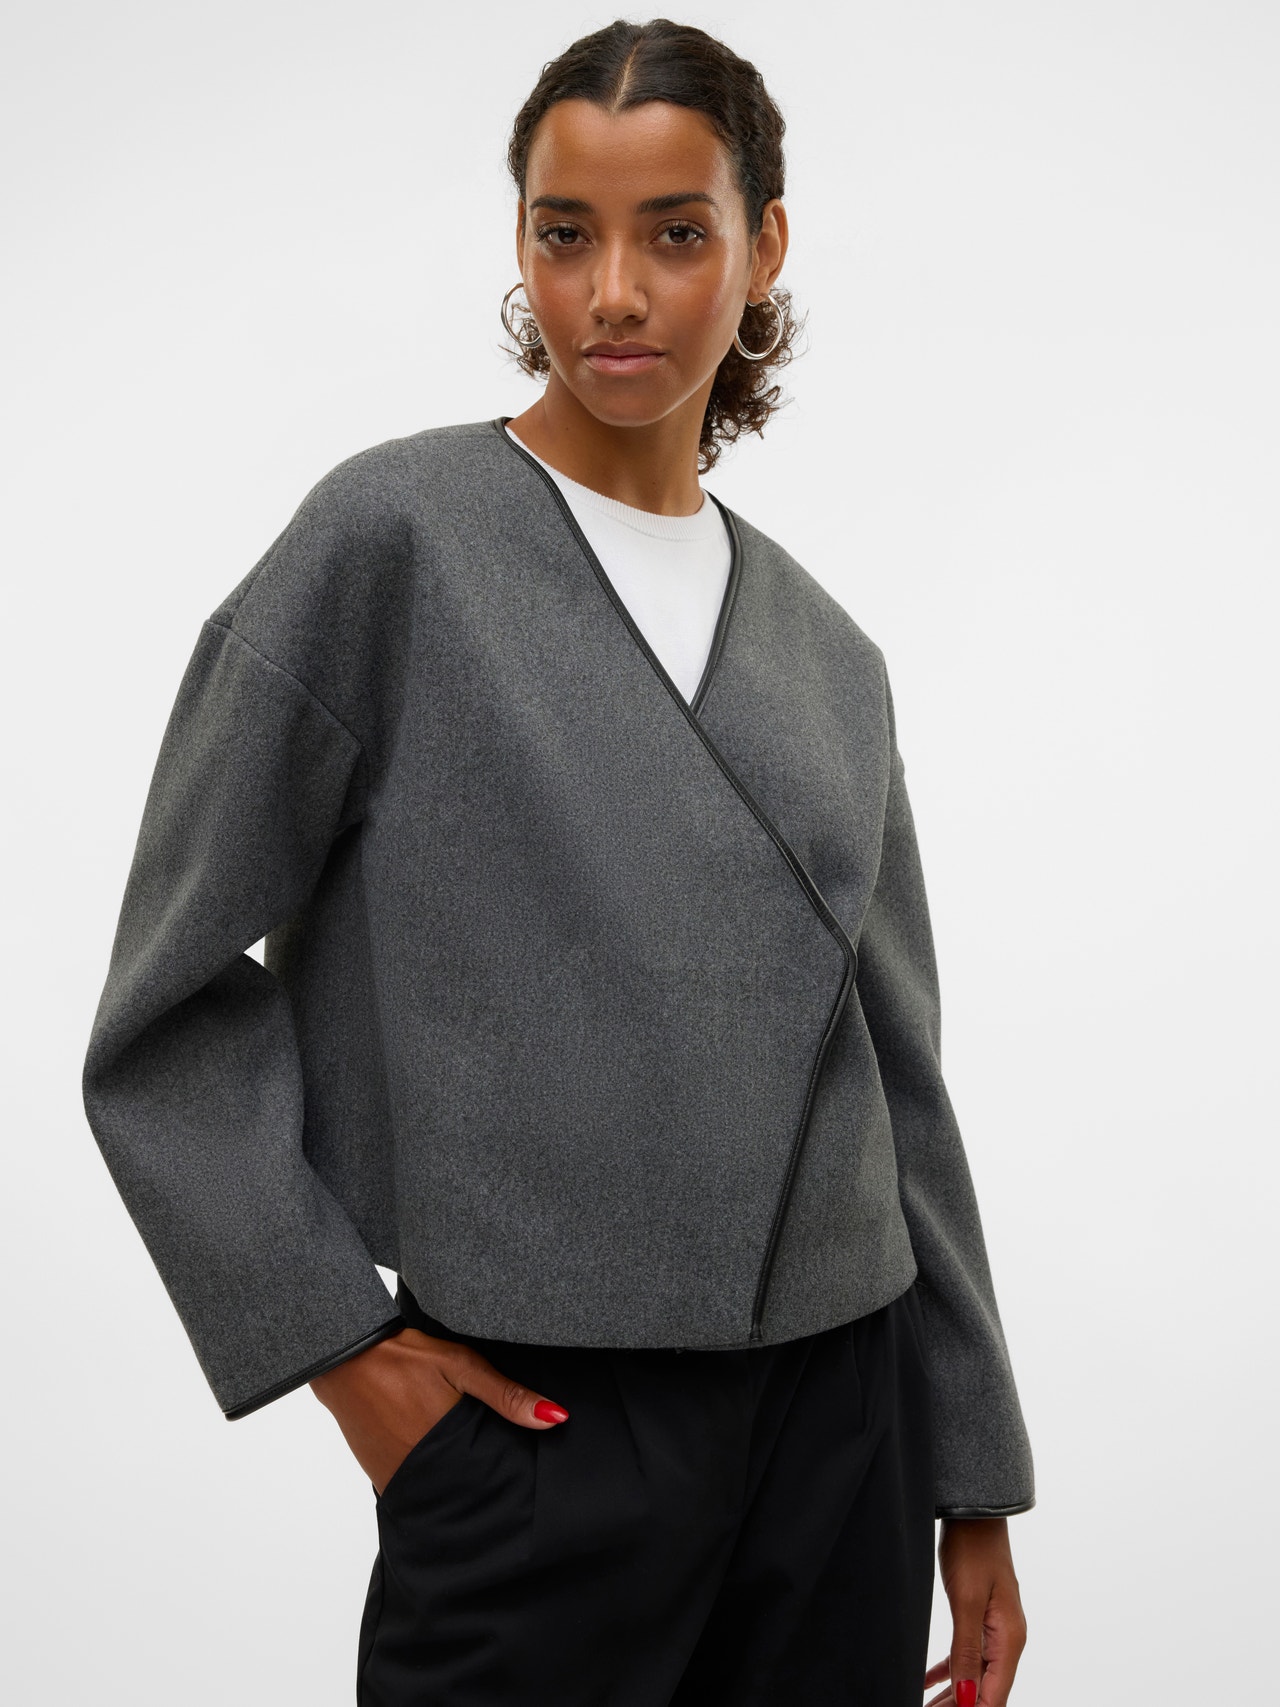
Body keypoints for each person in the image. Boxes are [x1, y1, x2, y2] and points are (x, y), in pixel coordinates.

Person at [82, 18, 1034, 1707]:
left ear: (764, 246)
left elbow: (901, 1081)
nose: (614, 293)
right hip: (538, 1431)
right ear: (519, 241)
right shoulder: (392, 541)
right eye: (564, 232)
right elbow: (163, 1005)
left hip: (846, 1432)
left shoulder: (832, 657)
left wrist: (970, 1474)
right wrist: (344, 1349)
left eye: (676, 233)